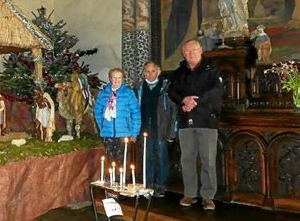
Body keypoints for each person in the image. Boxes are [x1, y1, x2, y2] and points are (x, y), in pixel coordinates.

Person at [168, 39, 223, 211]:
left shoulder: (211, 68)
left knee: (208, 160)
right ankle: (189, 194)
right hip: (185, 121)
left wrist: (195, 101)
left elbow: (216, 91)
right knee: (187, 159)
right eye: (186, 51)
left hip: (206, 120)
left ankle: (208, 196)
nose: (189, 54)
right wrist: (184, 99)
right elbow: (172, 91)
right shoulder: (179, 71)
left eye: (193, 50)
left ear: (201, 50)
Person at [135, 62, 177, 198]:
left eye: (153, 71)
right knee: (147, 158)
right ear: (143, 73)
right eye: (147, 71)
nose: (150, 74)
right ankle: (148, 184)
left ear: (158, 72)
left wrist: (172, 131)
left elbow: (173, 111)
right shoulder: (138, 88)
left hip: (161, 129)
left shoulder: (167, 87)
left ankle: (160, 185)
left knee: (161, 158)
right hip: (144, 129)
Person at [94, 68, 141, 164]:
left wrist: (134, 133)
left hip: (124, 134)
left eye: (119, 78)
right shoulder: (103, 94)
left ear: (123, 79)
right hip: (108, 134)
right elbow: (98, 112)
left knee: (122, 162)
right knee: (110, 162)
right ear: (110, 79)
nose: (117, 80)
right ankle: (112, 179)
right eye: (114, 78)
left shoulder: (128, 93)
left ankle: (122, 179)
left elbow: (136, 114)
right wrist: (102, 127)